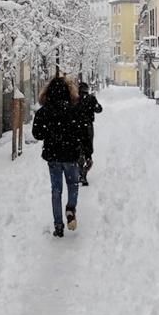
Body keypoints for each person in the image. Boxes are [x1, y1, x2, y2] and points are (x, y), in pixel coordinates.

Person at [32, 76, 89, 237]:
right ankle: (70, 209)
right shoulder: (74, 110)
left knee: (56, 190)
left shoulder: (44, 111)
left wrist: (50, 132)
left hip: (53, 156)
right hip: (70, 155)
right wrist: (80, 146)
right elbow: (82, 131)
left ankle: (58, 224)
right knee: (73, 184)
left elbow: (37, 134)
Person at [75, 81, 103, 186]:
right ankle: (86, 167)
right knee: (88, 148)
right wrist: (94, 103)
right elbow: (99, 109)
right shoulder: (91, 99)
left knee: (78, 148)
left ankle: (80, 169)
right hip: (88, 127)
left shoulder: (75, 99)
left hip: (76, 127)